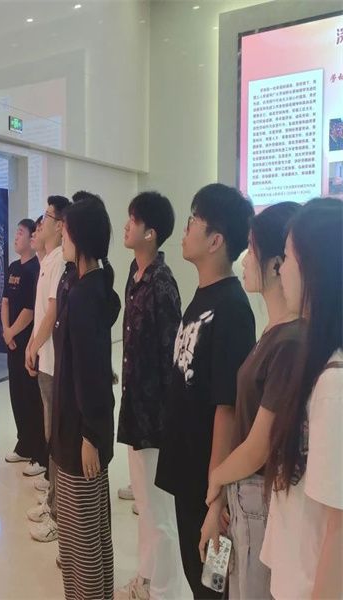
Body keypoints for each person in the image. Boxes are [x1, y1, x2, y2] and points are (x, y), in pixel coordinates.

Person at [155, 183, 255, 599]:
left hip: (208, 482)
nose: (186, 227)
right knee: (198, 576)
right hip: (187, 471)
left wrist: (216, 497)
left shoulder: (232, 308)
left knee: (213, 585)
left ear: (216, 240)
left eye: (194, 220)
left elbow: (226, 407)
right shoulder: (203, 296)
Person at [199, 202, 301, 599]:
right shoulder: (274, 332)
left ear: (277, 264)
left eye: (252, 250)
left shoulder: (290, 341)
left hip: (259, 497)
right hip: (244, 494)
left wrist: (216, 479)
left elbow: (259, 445)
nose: (244, 259)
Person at [259, 198, 342, 600]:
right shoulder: (317, 362)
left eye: (288, 257)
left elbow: (339, 530)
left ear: (314, 269)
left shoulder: (333, 386)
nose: (281, 269)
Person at [115, 192, 189, 600]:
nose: (126, 225)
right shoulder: (135, 273)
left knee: (160, 513)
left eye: (134, 219)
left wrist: (168, 421)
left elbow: (172, 358)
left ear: (151, 233)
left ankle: (165, 591)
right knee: (145, 505)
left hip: (156, 420)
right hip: (134, 412)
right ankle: (146, 579)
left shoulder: (162, 284)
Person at [52, 192, 120, 600]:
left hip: (80, 434)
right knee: (91, 534)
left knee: (82, 542)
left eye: (65, 233)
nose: (61, 239)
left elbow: (90, 373)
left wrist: (90, 436)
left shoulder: (83, 295)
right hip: (81, 428)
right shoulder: (90, 285)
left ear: (80, 239)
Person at [25, 196, 69, 543]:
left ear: (60, 225)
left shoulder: (59, 262)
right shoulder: (48, 261)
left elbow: (52, 311)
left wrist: (33, 345)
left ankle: (56, 510)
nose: (41, 224)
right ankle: (52, 499)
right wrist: (34, 346)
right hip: (46, 359)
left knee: (55, 436)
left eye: (46, 217)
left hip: (54, 361)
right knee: (49, 433)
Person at [2, 219, 47, 477]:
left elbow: (31, 310)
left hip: (27, 343)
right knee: (16, 394)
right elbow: (6, 301)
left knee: (32, 397)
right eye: (16, 232)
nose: (16, 237)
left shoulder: (35, 269)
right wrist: (5, 330)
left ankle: (39, 449)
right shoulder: (12, 267)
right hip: (12, 342)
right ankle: (24, 443)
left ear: (32, 238)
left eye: (21, 233)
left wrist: (12, 331)